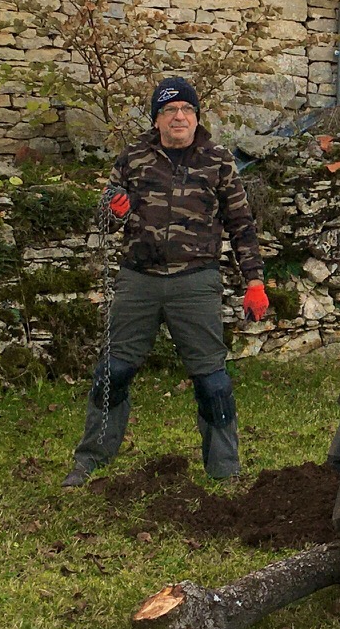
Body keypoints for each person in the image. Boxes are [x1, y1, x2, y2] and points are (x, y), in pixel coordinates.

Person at [64, 76, 271, 488]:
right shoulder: (133, 158)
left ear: (196, 116)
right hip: (138, 281)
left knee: (212, 380)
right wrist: (113, 211)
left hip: (195, 282)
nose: (179, 116)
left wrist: (255, 281)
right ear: (156, 119)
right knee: (112, 373)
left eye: (187, 109)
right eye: (170, 110)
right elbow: (104, 219)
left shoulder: (218, 160)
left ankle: (225, 469)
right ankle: (89, 460)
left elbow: (241, 224)